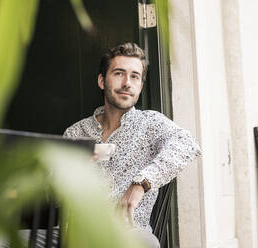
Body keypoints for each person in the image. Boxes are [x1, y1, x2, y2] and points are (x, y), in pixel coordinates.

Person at [63, 42, 201, 247]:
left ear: (141, 85)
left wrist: (141, 183)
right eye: (119, 73)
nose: (127, 83)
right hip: (73, 235)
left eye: (135, 76)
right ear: (102, 81)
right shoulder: (76, 132)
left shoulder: (150, 124)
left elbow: (187, 144)